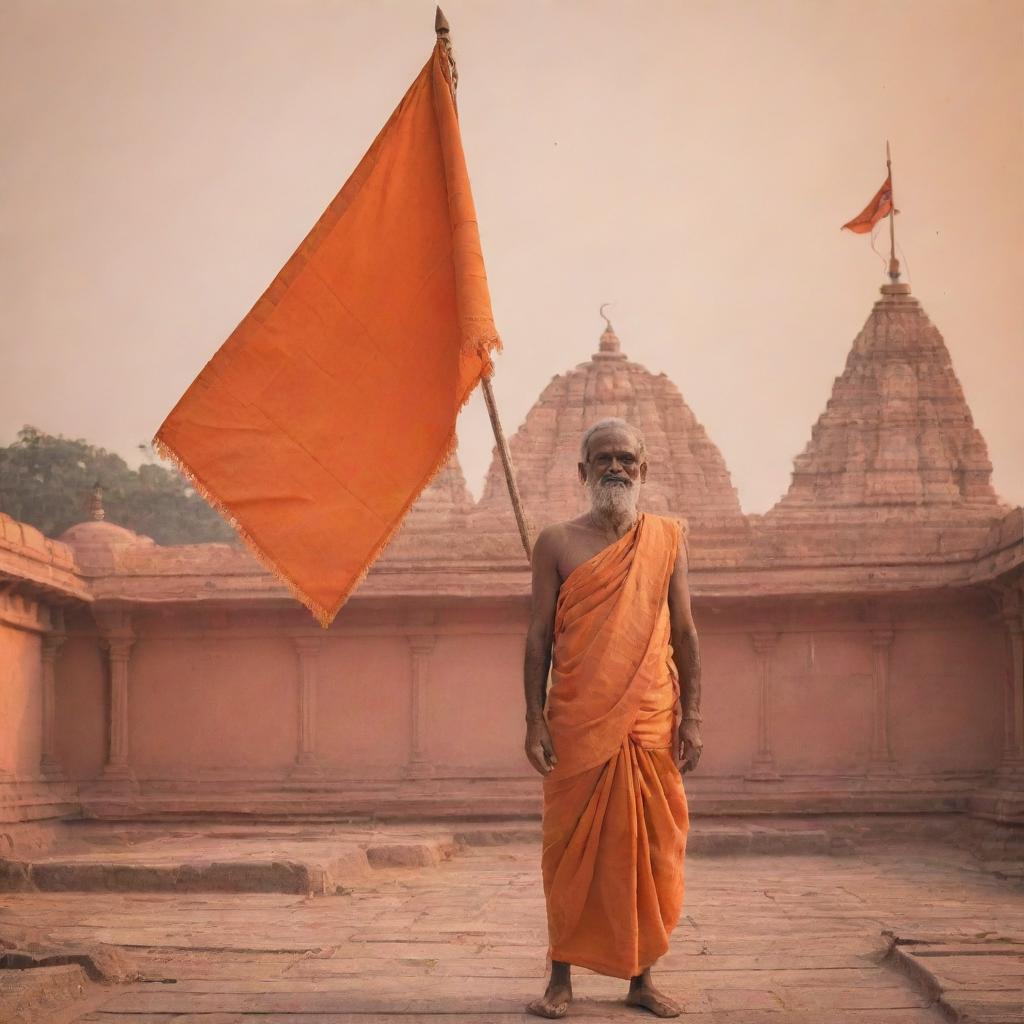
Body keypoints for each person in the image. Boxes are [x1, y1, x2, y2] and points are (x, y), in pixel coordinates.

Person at [523, 417, 703, 1019]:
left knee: (650, 852)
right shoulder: (555, 542)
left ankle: (641, 980)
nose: (616, 468)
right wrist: (533, 720)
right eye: (603, 459)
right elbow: (538, 637)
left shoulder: (668, 538)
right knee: (566, 852)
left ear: (643, 469)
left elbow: (684, 630)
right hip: (577, 720)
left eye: (627, 458)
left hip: (650, 717)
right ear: (582, 471)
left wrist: (693, 717)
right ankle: (560, 980)